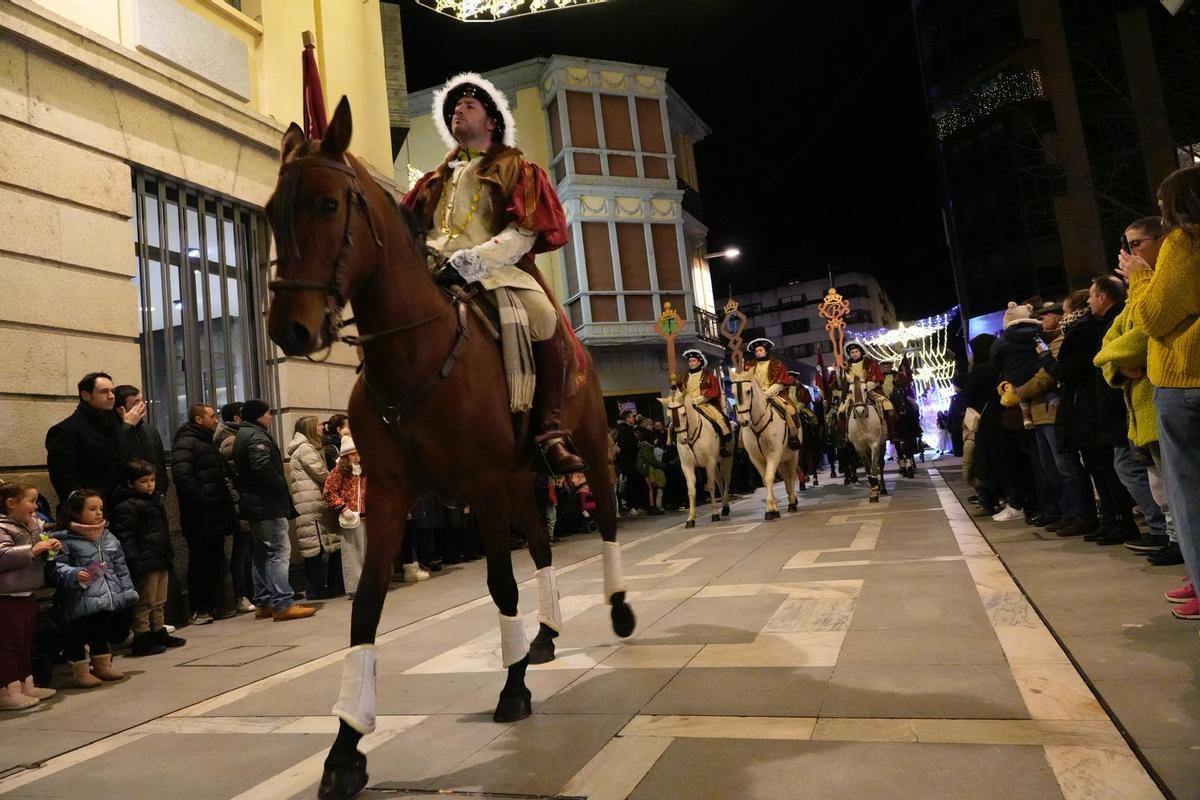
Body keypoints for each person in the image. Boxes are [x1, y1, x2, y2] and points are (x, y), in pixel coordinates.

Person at [403, 71, 583, 476]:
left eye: (469, 106)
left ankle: (550, 431)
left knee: (544, 317)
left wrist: (472, 261)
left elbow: (523, 231)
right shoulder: (433, 180)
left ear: (491, 121)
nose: (457, 112)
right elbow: (410, 228)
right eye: (453, 108)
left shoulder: (517, 168)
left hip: (496, 270)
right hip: (432, 270)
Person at [1121, 165, 1200, 620]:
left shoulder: (1182, 244)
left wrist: (1139, 277)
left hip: (1184, 379)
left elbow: (1151, 318)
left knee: (1187, 498)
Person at [233, 400, 314, 622]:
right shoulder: (256, 436)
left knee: (260, 554)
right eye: (268, 413)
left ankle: (264, 602)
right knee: (279, 552)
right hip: (266, 503)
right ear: (259, 415)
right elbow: (262, 468)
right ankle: (283, 603)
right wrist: (280, 485)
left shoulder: (246, 434)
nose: (270, 417)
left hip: (255, 503)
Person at [49, 490, 138, 688]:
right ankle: (80, 670)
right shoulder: (64, 540)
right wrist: (73, 573)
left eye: (100, 509)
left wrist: (127, 590)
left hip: (106, 594)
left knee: (100, 629)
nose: (98, 513)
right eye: (92, 509)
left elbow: (120, 566)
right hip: (79, 595)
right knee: (78, 633)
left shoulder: (107, 536)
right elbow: (56, 567)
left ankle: (102, 665)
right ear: (75, 513)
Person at [108, 461, 185, 656]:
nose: (150, 485)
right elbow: (126, 536)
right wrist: (134, 560)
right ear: (130, 483)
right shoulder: (127, 506)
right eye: (144, 481)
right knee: (145, 600)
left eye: (152, 480)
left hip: (159, 556)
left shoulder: (153, 501)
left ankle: (158, 630)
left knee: (159, 598)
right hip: (145, 560)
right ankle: (141, 636)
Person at [172, 403, 239, 624]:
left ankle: (215, 605)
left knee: (214, 560)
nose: (215, 419)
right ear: (199, 419)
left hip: (214, 513)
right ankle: (200, 608)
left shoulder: (206, 442)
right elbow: (183, 477)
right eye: (211, 416)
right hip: (200, 515)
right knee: (201, 562)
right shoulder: (187, 443)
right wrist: (204, 501)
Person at [0, 483, 60, 709]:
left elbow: (41, 551)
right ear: (12, 503)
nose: (36, 507)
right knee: (9, 644)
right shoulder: (3, 527)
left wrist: (51, 548)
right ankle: (8, 689)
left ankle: (27, 683)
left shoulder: (33, 525)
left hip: (27, 591)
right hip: (6, 595)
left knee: (26, 642)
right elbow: (2, 556)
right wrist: (32, 550)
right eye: (32, 501)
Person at [45, 372, 140, 508]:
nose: (111, 396)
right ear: (86, 395)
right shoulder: (65, 431)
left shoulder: (117, 426)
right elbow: (65, 481)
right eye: (104, 392)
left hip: (126, 507)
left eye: (112, 391)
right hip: (92, 512)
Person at [287, 416, 342, 600]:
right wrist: (336, 479)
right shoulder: (305, 449)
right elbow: (319, 472)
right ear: (310, 428)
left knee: (321, 545)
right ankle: (317, 588)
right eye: (318, 424)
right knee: (315, 547)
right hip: (312, 503)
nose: (322, 427)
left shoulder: (305, 448)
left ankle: (324, 587)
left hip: (309, 503)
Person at [214, 402, 255, 613]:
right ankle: (242, 594)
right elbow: (235, 474)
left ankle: (249, 592)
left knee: (248, 549)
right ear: (237, 418)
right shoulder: (231, 439)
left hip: (245, 500)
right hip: (241, 502)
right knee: (242, 550)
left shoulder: (237, 435)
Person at [323, 436, 365, 596]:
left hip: (366, 516)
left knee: (365, 552)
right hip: (350, 516)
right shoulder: (339, 472)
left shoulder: (364, 470)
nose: (357, 456)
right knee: (352, 552)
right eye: (353, 454)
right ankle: (355, 586)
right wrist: (342, 507)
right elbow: (329, 492)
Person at [744, 338, 802, 450]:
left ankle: (793, 435)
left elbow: (780, 383)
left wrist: (767, 394)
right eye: (756, 351)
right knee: (744, 414)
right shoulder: (749, 366)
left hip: (773, 394)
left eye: (760, 350)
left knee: (789, 409)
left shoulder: (776, 364)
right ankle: (742, 444)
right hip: (754, 397)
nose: (758, 353)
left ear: (766, 351)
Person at [837, 341, 899, 443]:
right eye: (852, 352)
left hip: (871, 391)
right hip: (853, 394)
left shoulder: (870, 363)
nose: (854, 354)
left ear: (861, 352)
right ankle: (844, 436)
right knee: (841, 411)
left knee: (889, 406)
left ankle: (892, 432)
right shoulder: (846, 366)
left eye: (856, 351)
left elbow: (877, 379)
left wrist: (867, 386)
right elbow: (844, 383)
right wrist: (839, 373)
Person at [674, 349, 732, 456]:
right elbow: (684, 390)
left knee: (718, 419)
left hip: (704, 403)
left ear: (699, 362)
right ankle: (677, 449)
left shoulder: (708, 375)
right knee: (675, 422)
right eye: (690, 361)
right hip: (688, 404)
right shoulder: (686, 376)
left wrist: (699, 400)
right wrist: (678, 386)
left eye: (693, 361)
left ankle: (722, 446)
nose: (691, 363)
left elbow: (713, 391)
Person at [114, 385, 168, 498]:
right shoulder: (114, 430)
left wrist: (162, 488)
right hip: (129, 494)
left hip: (155, 494)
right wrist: (127, 426)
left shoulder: (150, 430)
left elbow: (159, 462)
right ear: (120, 409)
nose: (142, 405)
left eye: (141, 401)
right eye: (136, 403)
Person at [614, 409, 646, 515]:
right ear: (627, 418)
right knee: (632, 484)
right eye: (631, 417)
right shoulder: (624, 430)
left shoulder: (629, 429)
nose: (633, 418)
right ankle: (632, 506)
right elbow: (626, 446)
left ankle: (636, 506)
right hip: (628, 462)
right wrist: (637, 444)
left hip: (631, 461)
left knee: (635, 483)